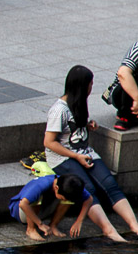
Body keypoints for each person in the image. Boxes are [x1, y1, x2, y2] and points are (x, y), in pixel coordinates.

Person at [44, 65, 138, 237]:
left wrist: (87, 125)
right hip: (63, 157)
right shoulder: (59, 110)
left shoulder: (78, 102)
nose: (91, 88)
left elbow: (73, 127)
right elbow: (49, 142)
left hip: (84, 152)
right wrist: (76, 156)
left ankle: (134, 225)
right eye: (90, 84)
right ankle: (108, 229)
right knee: (87, 188)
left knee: (109, 184)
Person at [9, 173, 124, 242]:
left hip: (45, 209)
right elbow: (23, 204)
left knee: (68, 201)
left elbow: (89, 199)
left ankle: (53, 225)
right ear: (57, 188)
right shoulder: (41, 184)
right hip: (21, 211)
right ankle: (31, 229)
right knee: (35, 200)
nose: (64, 199)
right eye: (63, 196)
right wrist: (40, 224)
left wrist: (79, 221)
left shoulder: (70, 184)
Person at [107, 40, 138, 130]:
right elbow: (123, 73)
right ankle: (124, 116)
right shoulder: (137, 49)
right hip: (123, 95)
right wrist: (137, 98)